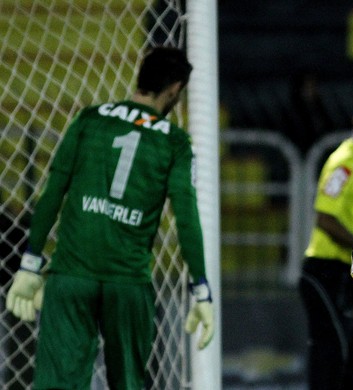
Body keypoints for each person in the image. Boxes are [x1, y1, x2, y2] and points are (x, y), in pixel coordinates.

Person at [5, 46, 215, 389]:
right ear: (175, 90)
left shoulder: (90, 119)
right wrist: (201, 289)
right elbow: (186, 217)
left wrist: (30, 263)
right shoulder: (176, 143)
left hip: (72, 275)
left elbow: (52, 191)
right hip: (127, 282)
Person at [299, 97, 353, 390]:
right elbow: (325, 218)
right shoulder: (345, 162)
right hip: (326, 270)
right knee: (333, 349)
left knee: (351, 353)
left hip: (349, 271)